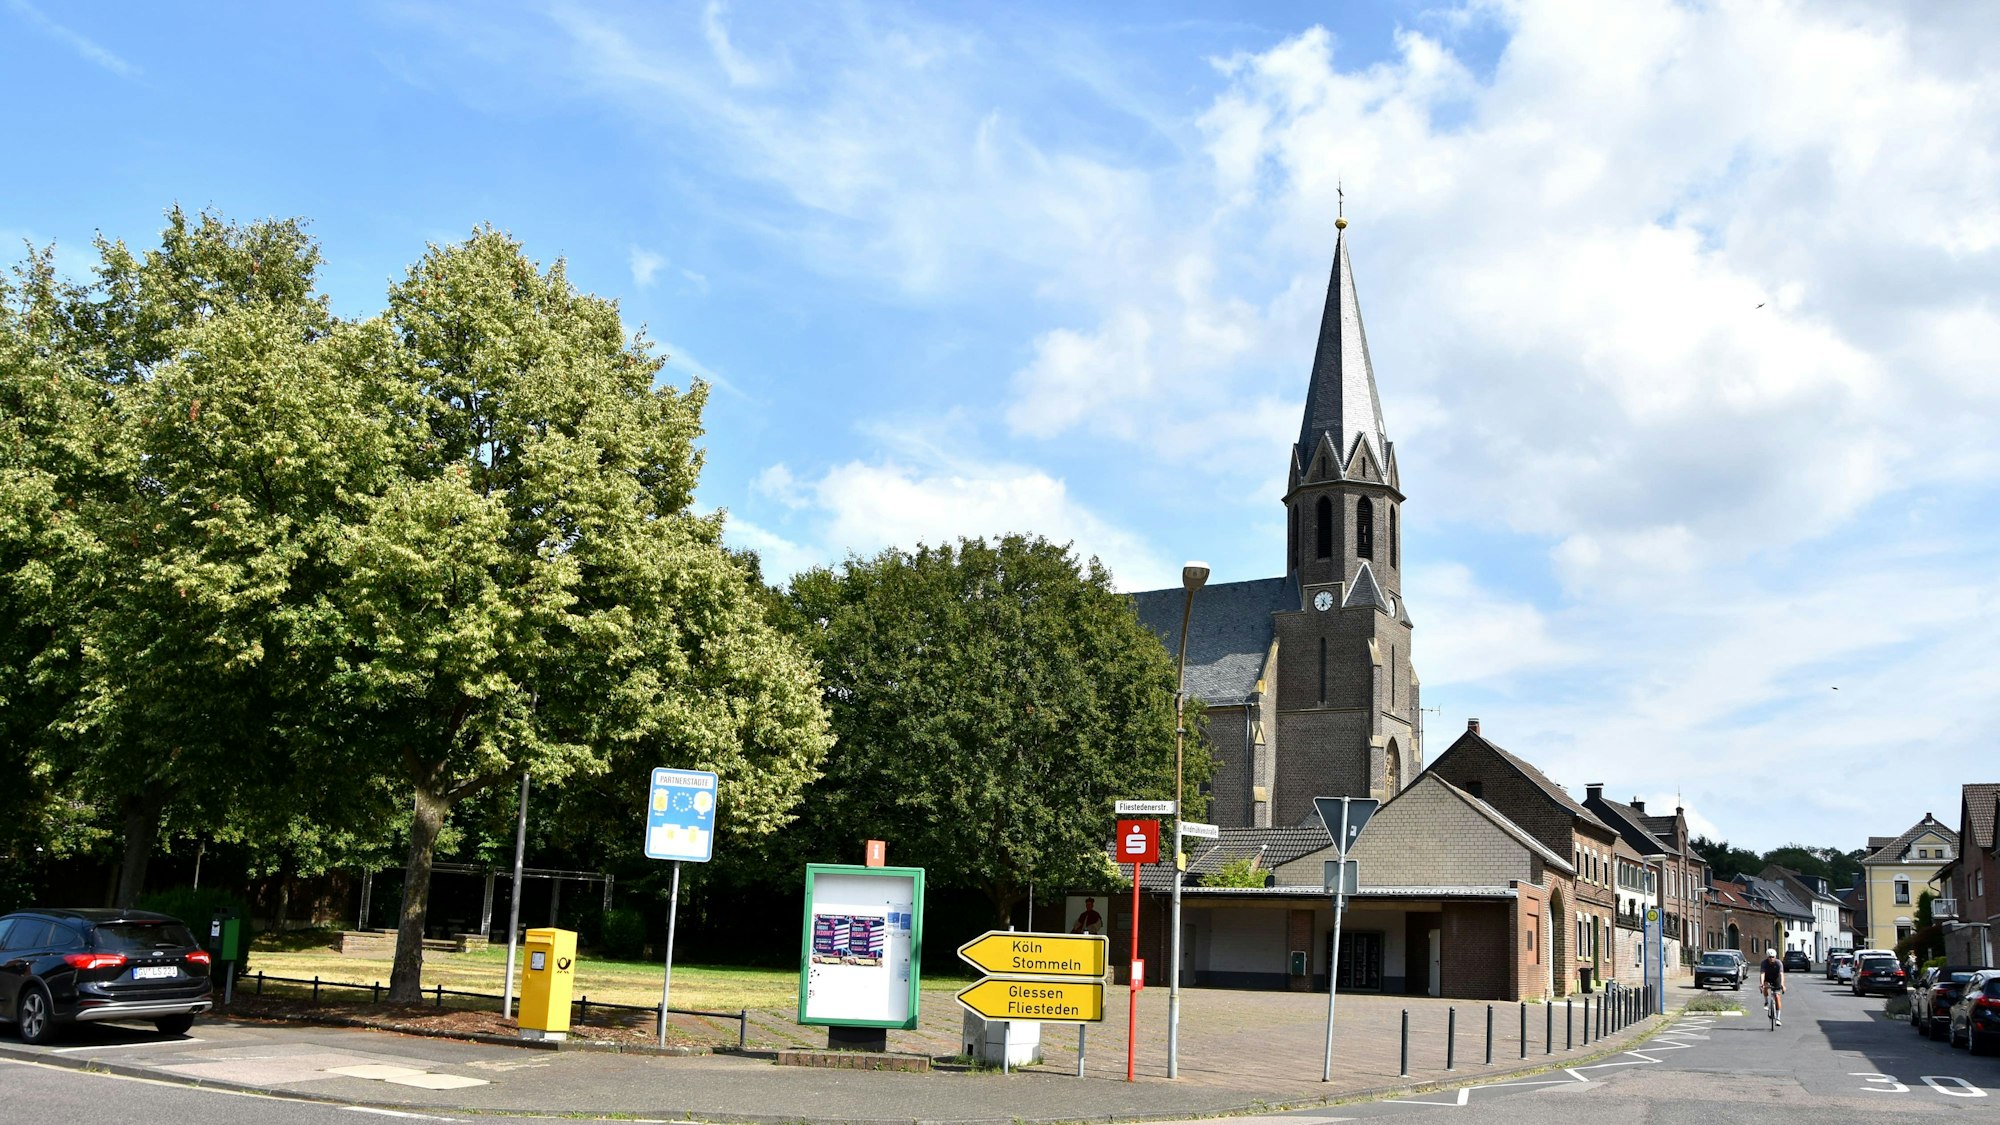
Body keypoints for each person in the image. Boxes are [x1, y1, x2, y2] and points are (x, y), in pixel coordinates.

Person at [1760, 948, 1785, 1025]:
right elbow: (1762, 974)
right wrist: (1761, 984)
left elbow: (1781, 974)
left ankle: (1778, 1018)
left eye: (1773, 957)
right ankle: (1766, 1002)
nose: (1772, 959)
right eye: (1770, 957)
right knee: (1765, 986)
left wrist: (1782, 984)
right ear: (1767, 957)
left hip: (1776, 979)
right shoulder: (1764, 963)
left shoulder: (1778, 963)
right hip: (1767, 978)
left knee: (1777, 997)